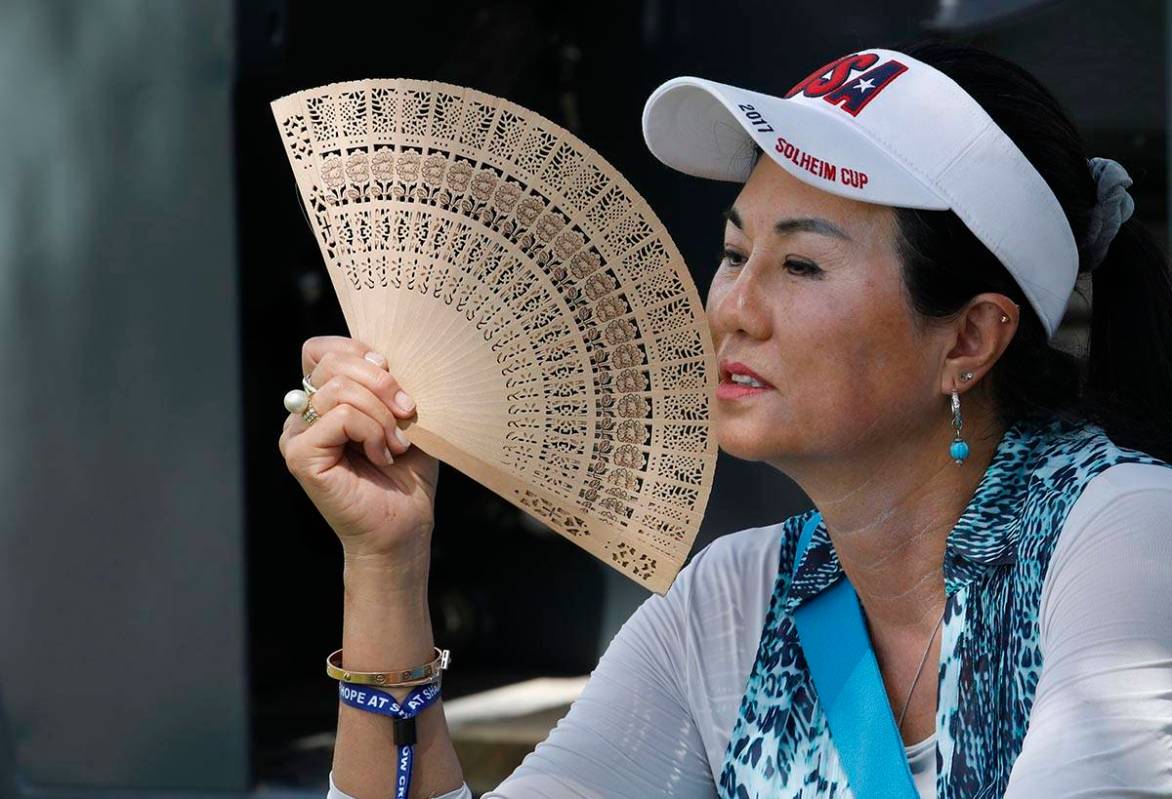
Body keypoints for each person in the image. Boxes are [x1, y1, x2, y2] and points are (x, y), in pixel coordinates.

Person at [277, 41, 1172, 798]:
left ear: (970, 337)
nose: (732, 309)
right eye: (736, 251)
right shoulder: (733, 603)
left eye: (802, 265)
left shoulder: (1122, 531)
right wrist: (386, 568)